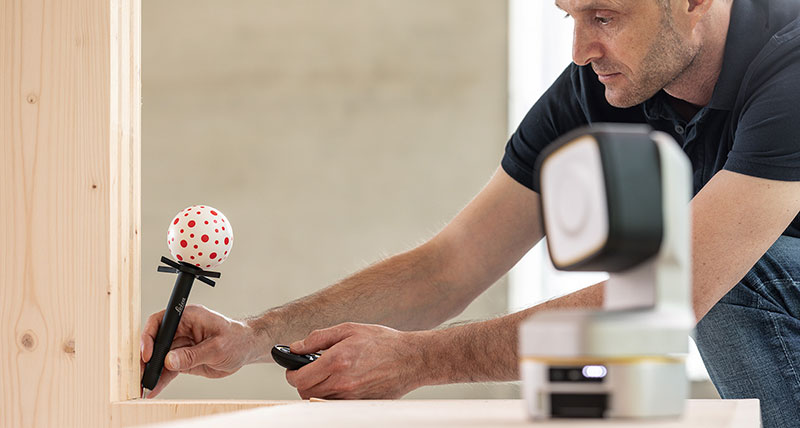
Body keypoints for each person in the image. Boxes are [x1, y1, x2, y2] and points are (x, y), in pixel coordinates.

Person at [141, 0, 800, 425]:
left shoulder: (791, 62)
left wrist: (422, 360)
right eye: (568, 15)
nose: (579, 50)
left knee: (724, 269)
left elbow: (667, 301)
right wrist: (252, 337)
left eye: (605, 16)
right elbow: (450, 267)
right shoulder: (596, 92)